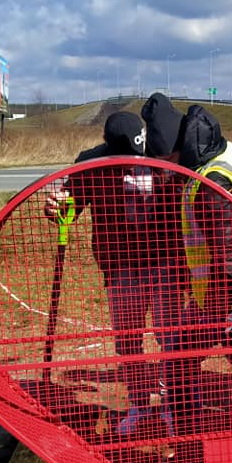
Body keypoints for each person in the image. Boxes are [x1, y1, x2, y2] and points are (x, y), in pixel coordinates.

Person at [137, 92, 232, 432]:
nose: (166, 171)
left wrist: (213, 312)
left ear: (176, 151)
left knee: (180, 360)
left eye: (166, 162)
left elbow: (228, 254)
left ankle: (188, 438)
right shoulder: (215, 149)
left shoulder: (211, 183)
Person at [45, 110, 184, 437]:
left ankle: (169, 404)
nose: (136, 161)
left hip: (163, 263)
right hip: (120, 267)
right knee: (128, 341)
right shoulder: (90, 165)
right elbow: (69, 206)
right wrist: (57, 206)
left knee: (171, 339)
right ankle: (137, 404)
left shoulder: (158, 152)